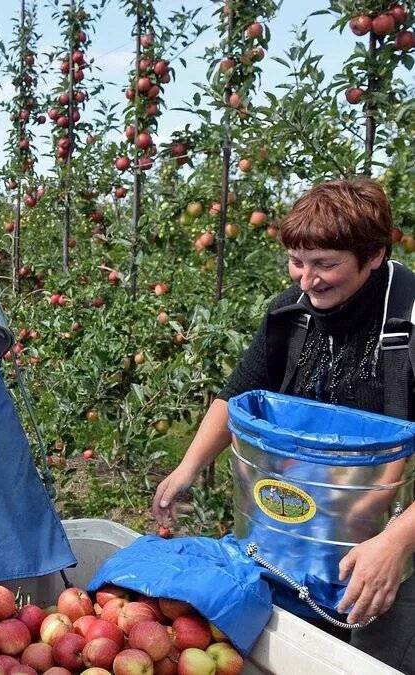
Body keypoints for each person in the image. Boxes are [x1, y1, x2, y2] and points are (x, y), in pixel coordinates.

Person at [151, 178, 415, 672]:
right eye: (298, 261)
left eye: (326, 264)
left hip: (397, 540)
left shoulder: (409, 324)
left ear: (374, 255)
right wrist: (187, 468)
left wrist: (397, 541)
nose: (307, 280)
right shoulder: (290, 316)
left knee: (381, 659)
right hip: (299, 533)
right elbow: (236, 395)